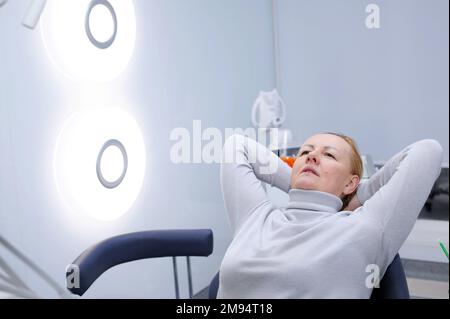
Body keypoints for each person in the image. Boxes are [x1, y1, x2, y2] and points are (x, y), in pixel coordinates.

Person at [218, 133, 443, 299]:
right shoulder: (256, 217)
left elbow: (428, 152)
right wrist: (298, 181)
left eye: (329, 155)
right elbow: (236, 146)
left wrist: (356, 196)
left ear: (350, 182)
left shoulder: (365, 228)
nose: (312, 156)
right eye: (305, 152)